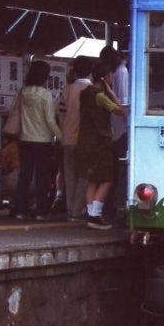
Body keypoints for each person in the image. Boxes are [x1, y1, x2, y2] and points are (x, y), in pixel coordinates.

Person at [77, 60, 127, 230]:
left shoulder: (85, 93)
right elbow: (121, 111)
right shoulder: (100, 96)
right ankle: (96, 214)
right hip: (100, 141)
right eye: (111, 76)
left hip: (85, 141)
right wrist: (112, 93)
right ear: (105, 77)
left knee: (92, 179)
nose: (113, 77)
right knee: (107, 179)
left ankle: (91, 213)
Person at [12, 59, 63, 220]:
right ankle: (41, 211)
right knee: (42, 176)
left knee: (24, 175)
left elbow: (13, 110)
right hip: (42, 140)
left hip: (24, 139)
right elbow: (49, 120)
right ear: (44, 76)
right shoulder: (45, 95)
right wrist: (61, 136)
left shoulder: (22, 92)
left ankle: (20, 209)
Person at [56, 56, 93, 222]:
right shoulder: (93, 90)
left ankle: (70, 208)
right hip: (85, 139)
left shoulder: (67, 90)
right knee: (84, 175)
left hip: (67, 137)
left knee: (69, 175)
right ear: (90, 71)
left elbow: (59, 113)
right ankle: (78, 209)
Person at [100, 45, 129, 226]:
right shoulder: (123, 72)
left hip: (115, 129)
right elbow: (124, 104)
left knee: (114, 172)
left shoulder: (119, 73)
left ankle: (109, 209)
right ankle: (115, 210)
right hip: (121, 130)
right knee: (119, 172)